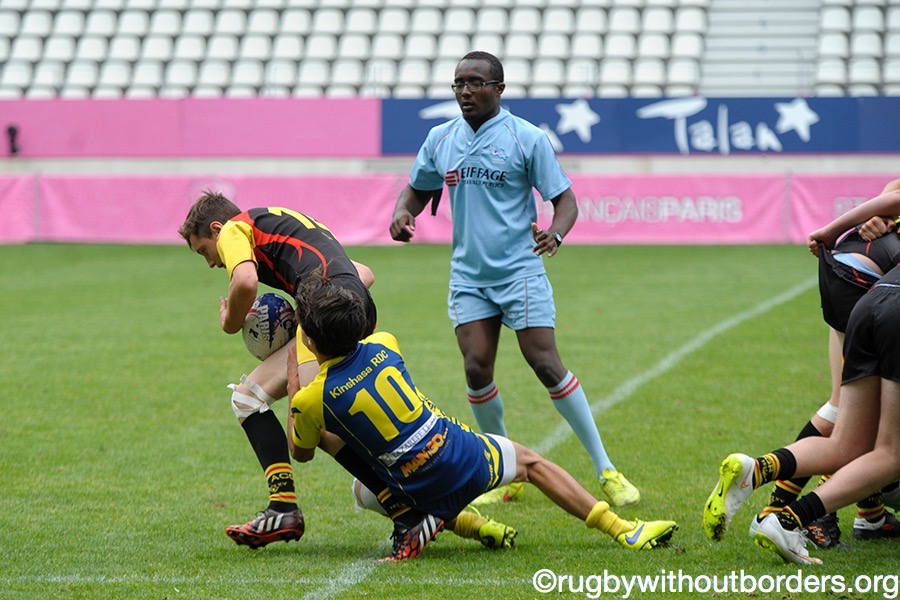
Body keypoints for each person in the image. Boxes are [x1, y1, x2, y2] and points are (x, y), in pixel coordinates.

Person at [388, 51, 639, 507]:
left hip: (520, 271)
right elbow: (418, 189)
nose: (466, 91)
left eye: (476, 82)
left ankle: (606, 469)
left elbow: (565, 201)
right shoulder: (441, 138)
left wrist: (555, 234)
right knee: (475, 367)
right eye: (459, 83)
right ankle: (505, 473)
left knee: (545, 363)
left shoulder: (527, 138)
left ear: (499, 89)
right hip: (469, 276)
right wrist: (403, 212)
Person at [288, 272, 678, 561]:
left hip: (416, 489)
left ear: (310, 339)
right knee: (532, 464)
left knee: (360, 489)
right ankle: (622, 530)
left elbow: (301, 451)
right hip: (463, 456)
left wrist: (294, 366)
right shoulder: (385, 344)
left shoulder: (312, 399)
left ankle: (455, 522)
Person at [178, 191, 445, 557]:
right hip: (355, 309)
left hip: (325, 313)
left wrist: (230, 321)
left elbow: (245, 282)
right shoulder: (285, 224)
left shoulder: (234, 229)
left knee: (285, 417)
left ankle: (397, 510)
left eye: (204, 251)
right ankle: (406, 503)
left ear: (216, 229)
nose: (211, 262)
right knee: (302, 415)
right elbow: (364, 274)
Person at [702, 187, 900, 565]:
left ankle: (768, 480)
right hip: (871, 284)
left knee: (846, 424)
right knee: (887, 449)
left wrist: (841, 227)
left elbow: (892, 194)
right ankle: (801, 516)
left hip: (860, 287)